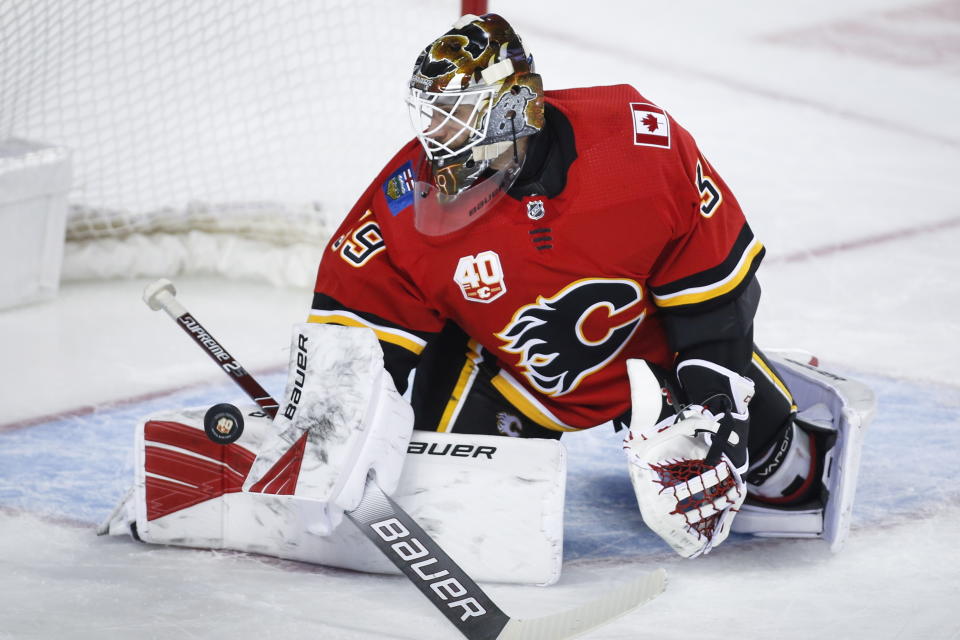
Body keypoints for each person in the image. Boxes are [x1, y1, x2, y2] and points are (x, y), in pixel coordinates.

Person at [309, 13, 827, 557]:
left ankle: (769, 438)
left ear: (516, 107)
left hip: (651, 351)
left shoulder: (634, 148)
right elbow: (356, 337)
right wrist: (332, 427)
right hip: (507, 373)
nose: (441, 141)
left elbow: (713, 298)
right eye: (436, 118)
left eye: (460, 118)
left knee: (787, 478)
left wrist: (717, 407)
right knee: (457, 522)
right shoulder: (408, 203)